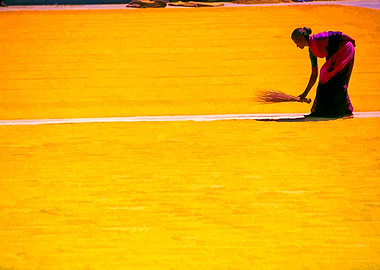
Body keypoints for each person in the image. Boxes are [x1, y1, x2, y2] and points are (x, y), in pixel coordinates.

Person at [291, 27, 356, 118]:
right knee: (324, 77)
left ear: (301, 38)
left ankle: (346, 111)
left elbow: (338, 35)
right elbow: (314, 74)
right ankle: (320, 111)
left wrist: (351, 40)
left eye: (296, 42)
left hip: (345, 49)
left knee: (336, 79)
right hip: (335, 55)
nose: (297, 46)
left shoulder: (318, 39)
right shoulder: (311, 51)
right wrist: (305, 93)